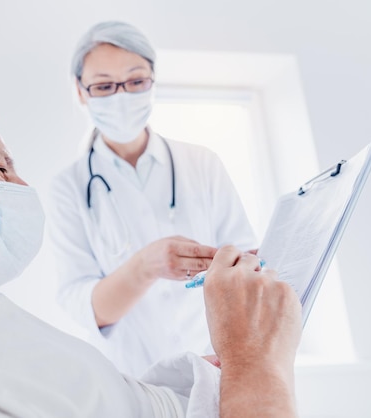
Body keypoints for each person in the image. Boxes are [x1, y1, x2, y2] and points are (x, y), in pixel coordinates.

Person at [0, 79, 301, 418]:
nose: (22, 188)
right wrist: (256, 362)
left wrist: (222, 372)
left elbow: (99, 400)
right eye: (0, 169)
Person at [48, 20, 259, 377]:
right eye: (103, 86)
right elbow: (85, 306)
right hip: (129, 379)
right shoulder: (68, 186)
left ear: (153, 81)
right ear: (80, 91)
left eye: (135, 81)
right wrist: (147, 265)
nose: (121, 96)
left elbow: (247, 262)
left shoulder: (201, 163)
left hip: (214, 367)